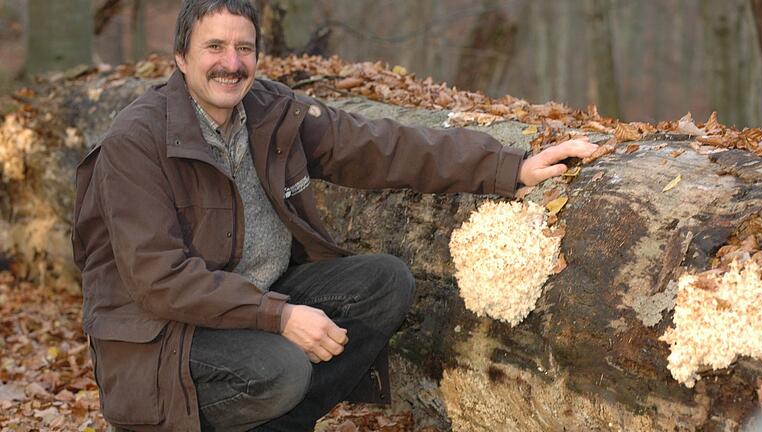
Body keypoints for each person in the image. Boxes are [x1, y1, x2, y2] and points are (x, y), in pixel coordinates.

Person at [71, 1, 597, 430]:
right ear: (181, 57)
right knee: (281, 370)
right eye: (214, 47)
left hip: (252, 300)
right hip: (165, 336)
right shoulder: (136, 141)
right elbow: (159, 280)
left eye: (244, 48)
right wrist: (280, 316)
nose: (230, 63)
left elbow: (379, 146)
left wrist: (512, 167)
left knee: (383, 283)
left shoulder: (269, 113)